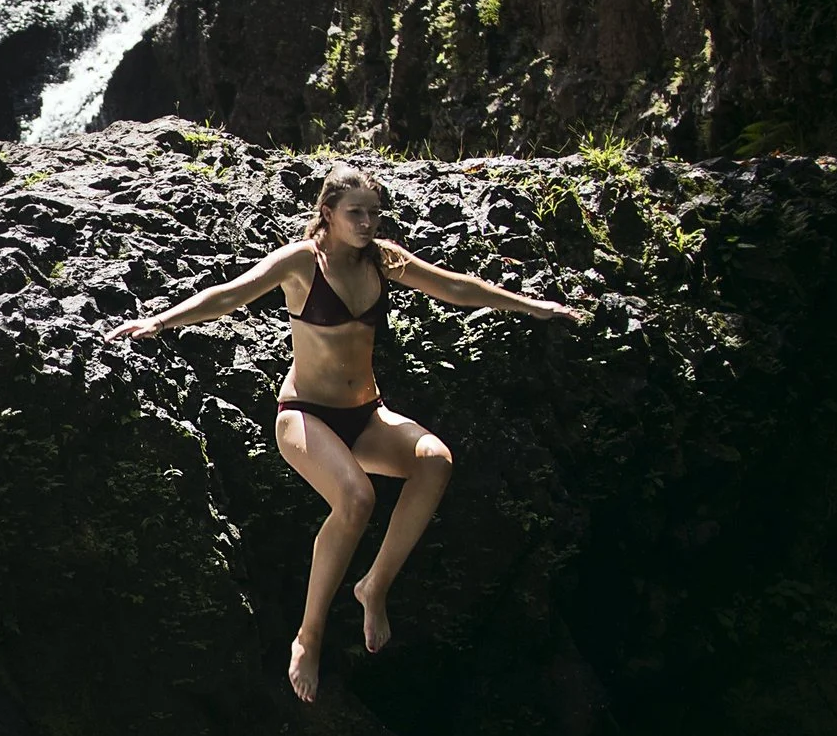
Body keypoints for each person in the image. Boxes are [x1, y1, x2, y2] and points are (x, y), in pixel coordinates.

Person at [106, 165, 582, 702]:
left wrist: (529, 305)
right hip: (304, 415)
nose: (366, 222)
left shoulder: (383, 258)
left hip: (366, 416)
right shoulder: (302, 262)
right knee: (357, 499)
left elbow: (452, 286)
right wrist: (161, 321)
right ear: (327, 213)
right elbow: (230, 295)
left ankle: (373, 586)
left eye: (374, 213)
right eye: (355, 213)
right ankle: (308, 636)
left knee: (435, 460)